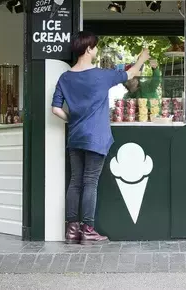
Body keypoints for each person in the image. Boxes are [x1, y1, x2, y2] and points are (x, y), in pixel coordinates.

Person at [51, 31, 149, 245]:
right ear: (88, 49)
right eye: (95, 47)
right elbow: (130, 74)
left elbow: (55, 109)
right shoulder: (102, 75)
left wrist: (73, 119)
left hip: (75, 137)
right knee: (90, 183)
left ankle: (71, 231)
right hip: (96, 137)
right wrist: (142, 58)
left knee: (75, 182)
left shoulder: (65, 78)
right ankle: (87, 230)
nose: (96, 50)